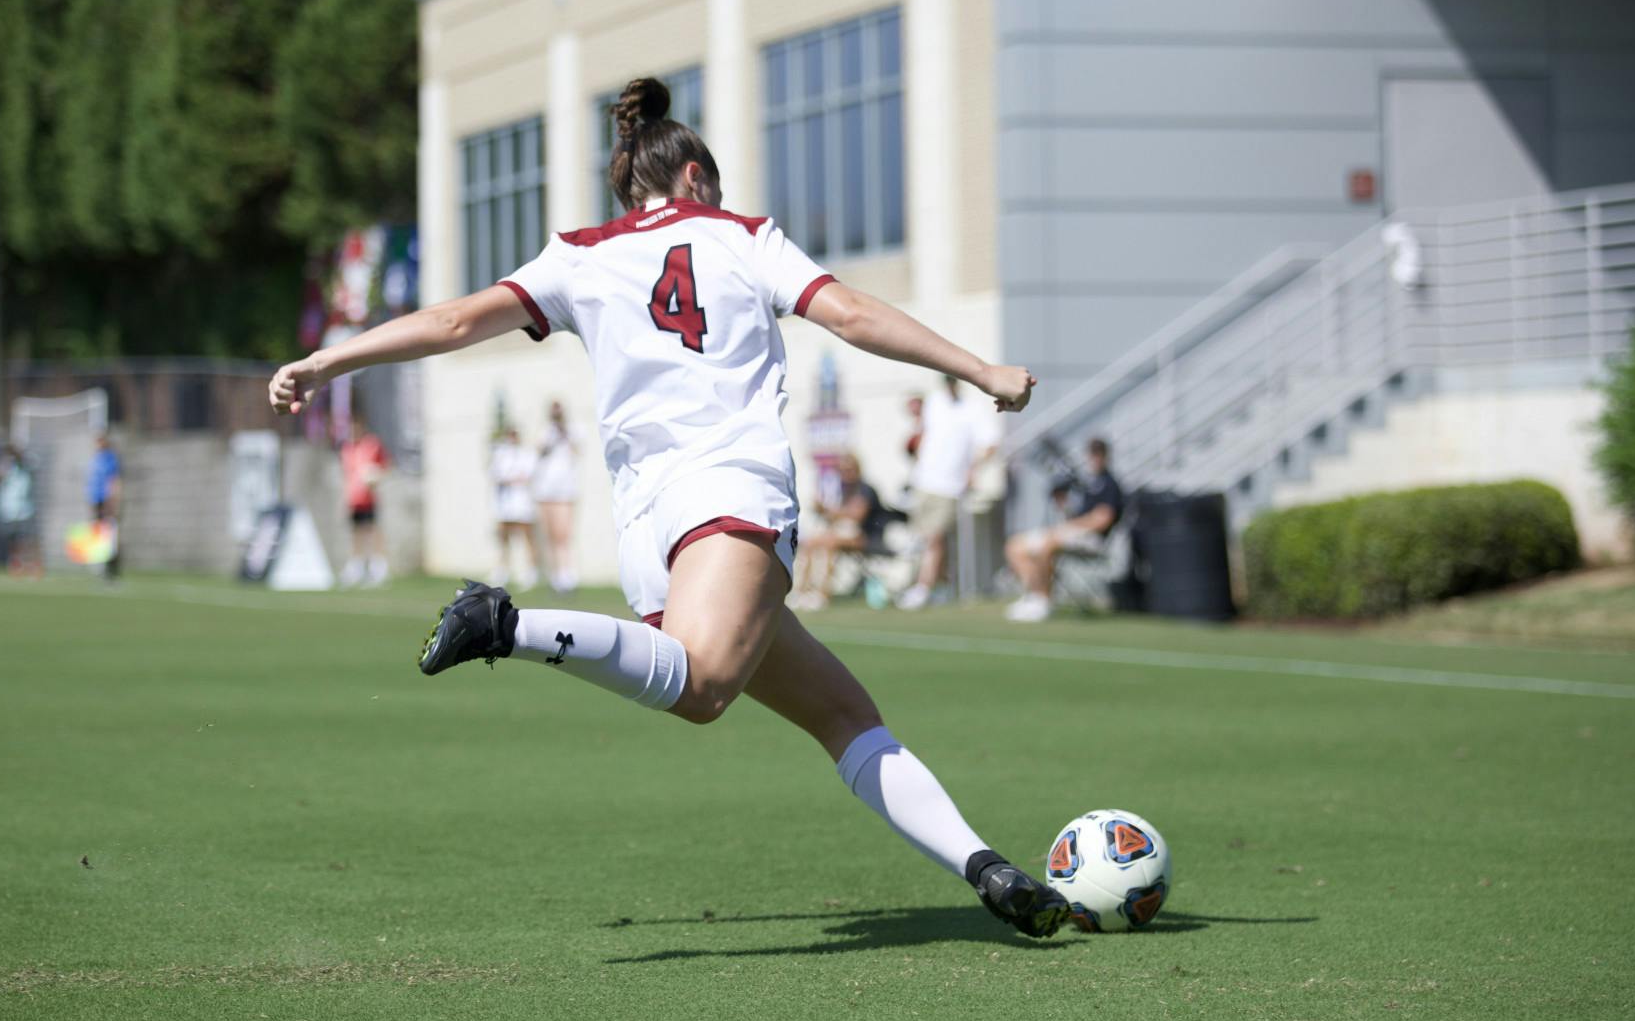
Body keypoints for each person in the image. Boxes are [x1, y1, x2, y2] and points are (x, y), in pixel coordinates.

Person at [267, 76, 1068, 939]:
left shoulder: (578, 254)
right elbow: (851, 313)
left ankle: (986, 868)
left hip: (648, 527)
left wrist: (328, 360)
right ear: (693, 176)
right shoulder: (745, 236)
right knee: (705, 688)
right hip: (728, 489)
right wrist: (980, 368)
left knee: (843, 714)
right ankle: (504, 624)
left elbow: (457, 321)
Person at [1004, 437, 1125, 622]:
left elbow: (1102, 519)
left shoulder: (1110, 484)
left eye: (1099, 453)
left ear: (1105, 456)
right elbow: (1074, 514)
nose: (1095, 458)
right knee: (1014, 546)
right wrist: (1063, 503)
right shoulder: (1089, 484)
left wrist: (1073, 526)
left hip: (1093, 539)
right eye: (1092, 453)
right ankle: (1033, 594)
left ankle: (1042, 601)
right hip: (1071, 532)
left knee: (1048, 544)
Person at [896, 376, 987, 610]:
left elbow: (989, 443)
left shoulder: (972, 409)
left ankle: (922, 589)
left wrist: (973, 470)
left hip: (950, 486)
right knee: (927, 539)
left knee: (934, 538)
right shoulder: (935, 403)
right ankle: (941, 586)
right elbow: (921, 434)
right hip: (923, 482)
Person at [792, 452, 893, 610]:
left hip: (867, 537)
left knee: (829, 543)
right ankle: (802, 591)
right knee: (810, 543)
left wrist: (827, 510)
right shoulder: (840, 489)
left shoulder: (865, 489)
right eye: (842, 470)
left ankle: (822, 594)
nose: (846, 473)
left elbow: (856, 516)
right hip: (842, 534)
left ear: (857, 469)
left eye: (849, 469)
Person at [532, 400, 579, 594]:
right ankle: (555, 575)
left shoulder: (572, 430)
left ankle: (566, 574)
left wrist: (563, 432)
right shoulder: (545, 431)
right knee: (550, 535)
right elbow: (539, 451)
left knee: (563, 534)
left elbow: (576, 451)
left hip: (564, 490)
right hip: (545, 489)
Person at [341, 421, 391, 587]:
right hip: (353, 498)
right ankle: (356, 568)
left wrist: (376, 475)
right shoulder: (347, 448)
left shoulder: (372, 444)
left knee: (372, 531)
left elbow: (385, 464)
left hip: (368, 497)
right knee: (356, 532)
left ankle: (378, 567)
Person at [489, 426, 538, 590]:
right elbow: (496, 475)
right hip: (505, 503)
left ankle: (531, 572)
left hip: (522, 502)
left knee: (527, 536)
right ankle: (502, 571)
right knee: (503, 537)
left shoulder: (526, 454)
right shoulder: (500, 454)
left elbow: (527, 475)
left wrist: (511, 478)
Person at [0, 446, 41, 578]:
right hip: (8, 509)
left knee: (29, 539)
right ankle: (16, 565)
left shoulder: (27, 463)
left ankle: (34, 565)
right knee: (12, 540)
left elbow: (34, 468)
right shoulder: (6, 465)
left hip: (25, 509)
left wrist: (20, 457)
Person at [86, 432, 122, 579]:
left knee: (110, 534)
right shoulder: (95, 459)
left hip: (107, 500)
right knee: (98, 533)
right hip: (96, 500)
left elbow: (113, 481)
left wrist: (113, 500)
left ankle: (111, 569)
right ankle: (100, 564)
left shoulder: (110, 459)